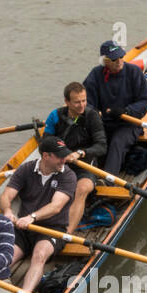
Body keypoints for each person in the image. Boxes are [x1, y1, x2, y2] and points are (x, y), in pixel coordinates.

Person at [0, 135, 76, 293]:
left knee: (39, 255)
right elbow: (5, 197)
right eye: (60, 157)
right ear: (46, 156)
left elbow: (56, 207)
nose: (64, 160)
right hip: (23, 228)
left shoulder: (68, 176)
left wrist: (32, 217)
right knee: (6, 257)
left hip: (52, 229)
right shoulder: (26, 169)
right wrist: (7, 211)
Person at [82, 39, 147, 175]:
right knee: (92, 140)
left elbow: (146, 99)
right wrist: (94, 112)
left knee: (117, 142)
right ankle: (86, 176)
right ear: (105, 61)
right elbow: (85, 102)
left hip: (129, 123)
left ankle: (109, 181)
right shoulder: (96, 74)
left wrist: (127, 111)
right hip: (103, 124)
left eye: (121, 57)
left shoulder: (134, 72)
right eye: (114, 59)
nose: (119, 61)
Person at [44, 81, 106, 233]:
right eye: (77, 102)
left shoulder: (92, 116)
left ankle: (66, 234)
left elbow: (101, 146)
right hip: (60, 164)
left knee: (82, 189)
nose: (82, 105)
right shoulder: (55, 116)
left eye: (84, 100)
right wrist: (63, 154)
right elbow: (45, 143)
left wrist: (80, 153)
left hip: (84, 165)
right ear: (67, 102)